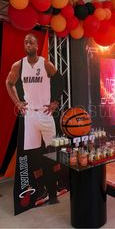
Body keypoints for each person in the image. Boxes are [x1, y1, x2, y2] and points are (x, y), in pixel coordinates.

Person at [6, 33, 65, 206]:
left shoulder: (45, 63)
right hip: (30, 114)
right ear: (24, 46)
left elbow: (60, 79)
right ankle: (41, 189)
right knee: (33, 155)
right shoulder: (18, 65)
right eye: (26, 42)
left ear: (37, 45)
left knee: (53, 151)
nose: (29, 44)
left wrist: (55, 101)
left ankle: (58, 183)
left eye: (32, 41)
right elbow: (8, 83)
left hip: (45, 114)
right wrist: (17, 102)